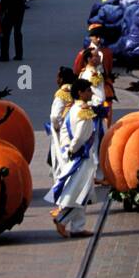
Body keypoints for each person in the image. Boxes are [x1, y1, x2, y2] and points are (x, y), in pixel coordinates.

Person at [46, 77, 98, 237]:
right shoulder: (83, 110)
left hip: (77, 155)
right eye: (88, 90)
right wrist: (74, 149)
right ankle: (62, 220)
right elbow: (81, 135)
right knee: (78, 192)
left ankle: (78, 227)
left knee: (83, 192)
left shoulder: (74, 109)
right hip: (80, 156)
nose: (91, 93)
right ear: (81, 93)